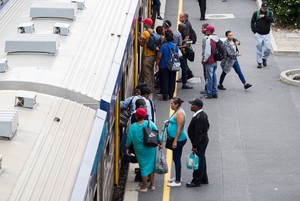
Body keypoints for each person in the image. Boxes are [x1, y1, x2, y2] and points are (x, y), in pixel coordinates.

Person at [125, 108, 162, 192]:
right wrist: (160, 144)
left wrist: (126, 148)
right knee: (151, 166)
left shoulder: (133, 127)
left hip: (140, 150)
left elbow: (129, 139)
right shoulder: (150, 123)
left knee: (143, 167)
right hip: (151, 148)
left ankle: (144, 187)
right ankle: (152, 185)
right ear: (144, 116)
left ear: (136, 116)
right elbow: (157, 134)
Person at [186, 98, 209, 187]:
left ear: (196, 107)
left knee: (198, 160)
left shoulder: (199, 117)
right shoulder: (202, 114)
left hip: (199, 142)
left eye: (192, 105)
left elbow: (198, 133)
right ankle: (204, 178)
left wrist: (195, 145)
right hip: (202, 140)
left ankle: (196, 180)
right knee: (201, 159)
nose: (191, 106)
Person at [167, 97, 187, 187]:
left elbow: (179, 128)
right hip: (176, 139)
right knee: (175, 158)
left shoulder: (180, 114)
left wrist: (175, 141)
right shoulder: (177, 111)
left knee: (176, 159)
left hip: (179, 139)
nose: (170, 105)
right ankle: (177, 177)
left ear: (177, 105)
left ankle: (178, 181)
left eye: (172, 103)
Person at [156, 31, 178, 101]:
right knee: (172, 80)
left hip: (164, 66)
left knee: (165, 80)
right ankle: (171, 95)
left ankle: (165, 96)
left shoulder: (164, 46)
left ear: (166, 38)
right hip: (172, 65)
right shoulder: (175, 46)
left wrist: (156, 63)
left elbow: (159, 56)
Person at [251, 2, 273, 68]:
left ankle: (264, 58)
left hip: (267, 34)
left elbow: (271, 20)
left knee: (268, 48)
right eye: (263, 8)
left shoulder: (269, 13)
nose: (265, 9)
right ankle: (259, 62)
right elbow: (252, 22)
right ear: (261, 7)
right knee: (259, 49)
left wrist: (264, 16)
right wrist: (254, 32)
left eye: (266, 8)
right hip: (259, 34)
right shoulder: (256, 13)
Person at [139, 18, 156, 91]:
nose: (143, 24)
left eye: (144, 23)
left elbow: (142, 44)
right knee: (150, 72)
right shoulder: (153, 31)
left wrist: (138, 37)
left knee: (147, 73)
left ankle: (149, 89)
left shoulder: (145, 33)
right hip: (153, 55)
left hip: (147, 56)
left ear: (147, 24)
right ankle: (152, 87)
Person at [202, 25, 219, 99]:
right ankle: (215, 92)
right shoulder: (217, 38)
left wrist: (204, 60)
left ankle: (209, 93)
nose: (206, 31)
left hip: (209, 61)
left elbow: (208, 52)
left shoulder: (209, 40)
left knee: (209, 78)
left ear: (209, 31)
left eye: (207, 30)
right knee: (215, 77)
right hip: (215, 60)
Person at [177, 12, 194, 83]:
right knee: (183, 61)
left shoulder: (186, 25)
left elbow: (187, 36)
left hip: (184, 46)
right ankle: (188, 73)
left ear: (185, 17)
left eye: (181, 17)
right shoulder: (186, 23)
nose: (179, 18)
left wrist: (183, 47)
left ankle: (187, 74)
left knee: (183, 61)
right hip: (184, 45)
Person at [200, 23, 209, 94]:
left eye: (202, 28)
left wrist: (203, 59)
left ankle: (207, 89)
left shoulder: (205, 38)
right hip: (212, 59)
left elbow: (205, 50)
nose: (201, 29)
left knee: (206, 74)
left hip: (206, 59)